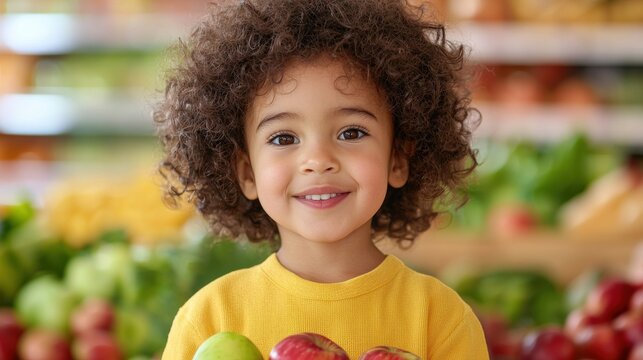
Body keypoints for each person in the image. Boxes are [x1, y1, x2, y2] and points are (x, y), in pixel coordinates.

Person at [155, 0, 488, 358]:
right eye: (284, 138)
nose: (318, 161)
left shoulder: (439, 318)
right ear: (247, 173)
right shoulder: (209, 320)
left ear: (397, 159)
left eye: (351, 133)